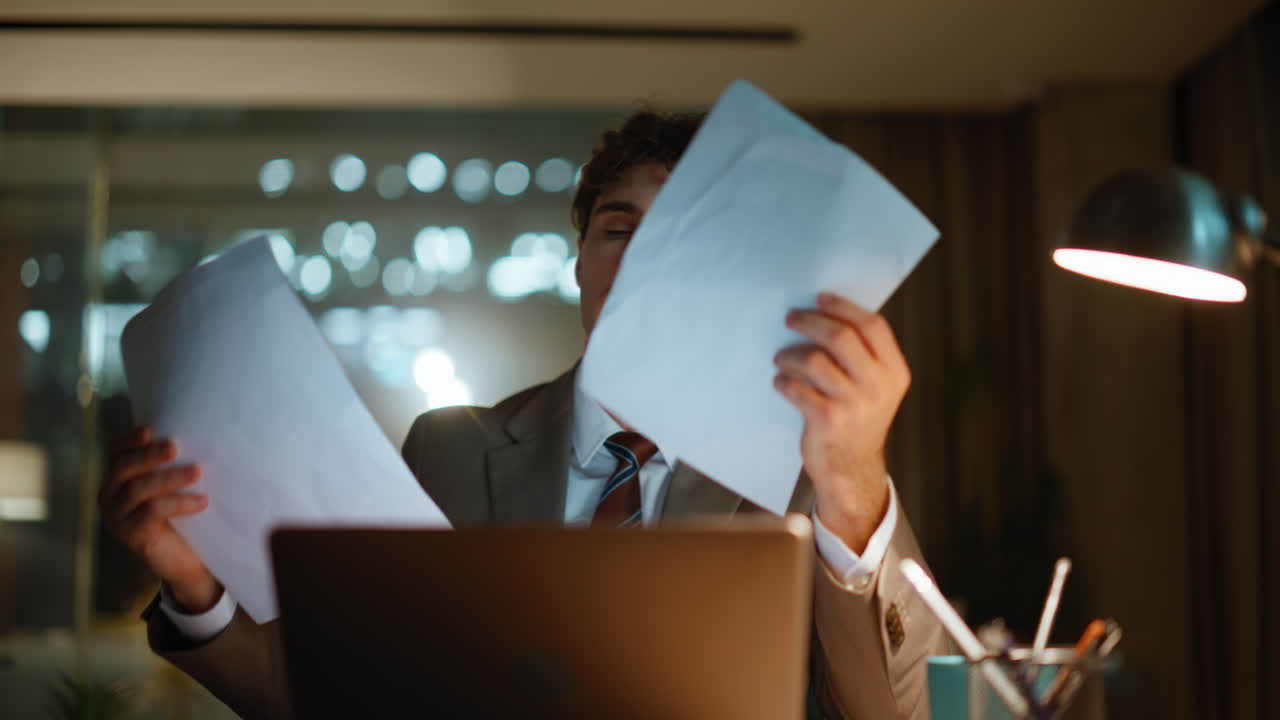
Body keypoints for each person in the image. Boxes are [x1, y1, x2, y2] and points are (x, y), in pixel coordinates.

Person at [100, 111, 947, 719]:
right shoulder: (448, 449)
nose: (641, 264)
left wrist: (852, 481)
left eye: (678, 243)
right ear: (579, 263)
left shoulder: (805, 477)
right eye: (619, 230)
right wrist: (194, 584)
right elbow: (338, 697)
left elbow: (893, 712)